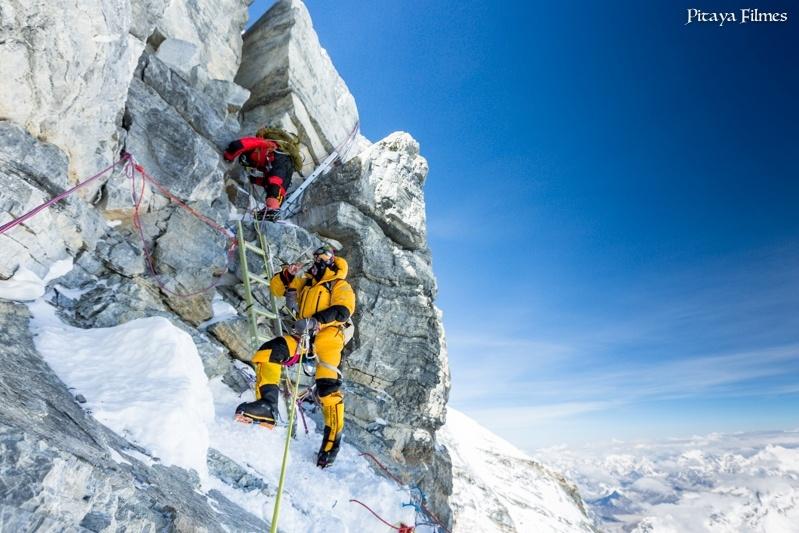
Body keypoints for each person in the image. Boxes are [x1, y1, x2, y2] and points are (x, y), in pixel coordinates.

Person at [235, 245, 356, 468]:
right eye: (317, 256)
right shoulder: (306, 283)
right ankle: (267, 407)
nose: (319, 260)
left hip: (329, 340)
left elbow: (343, 311)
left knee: (327, 390)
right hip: (304, 337)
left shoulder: (339, 284)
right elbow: (277, 289)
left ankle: (331, 445)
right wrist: (287, 274)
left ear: (332, 261)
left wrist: (316, 321)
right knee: (269, 352)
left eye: (325, 256)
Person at [223, 127, 303, 221]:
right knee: (276, 185)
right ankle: (271, 211)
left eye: (247, 161)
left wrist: (229, 155)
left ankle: (272, 209)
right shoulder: (268, 157)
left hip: (278, 164)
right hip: (282, 170)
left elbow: (238, 145)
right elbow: (269, 179)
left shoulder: (266, 145)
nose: (252, 165)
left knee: (275, 182)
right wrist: (255, 180)